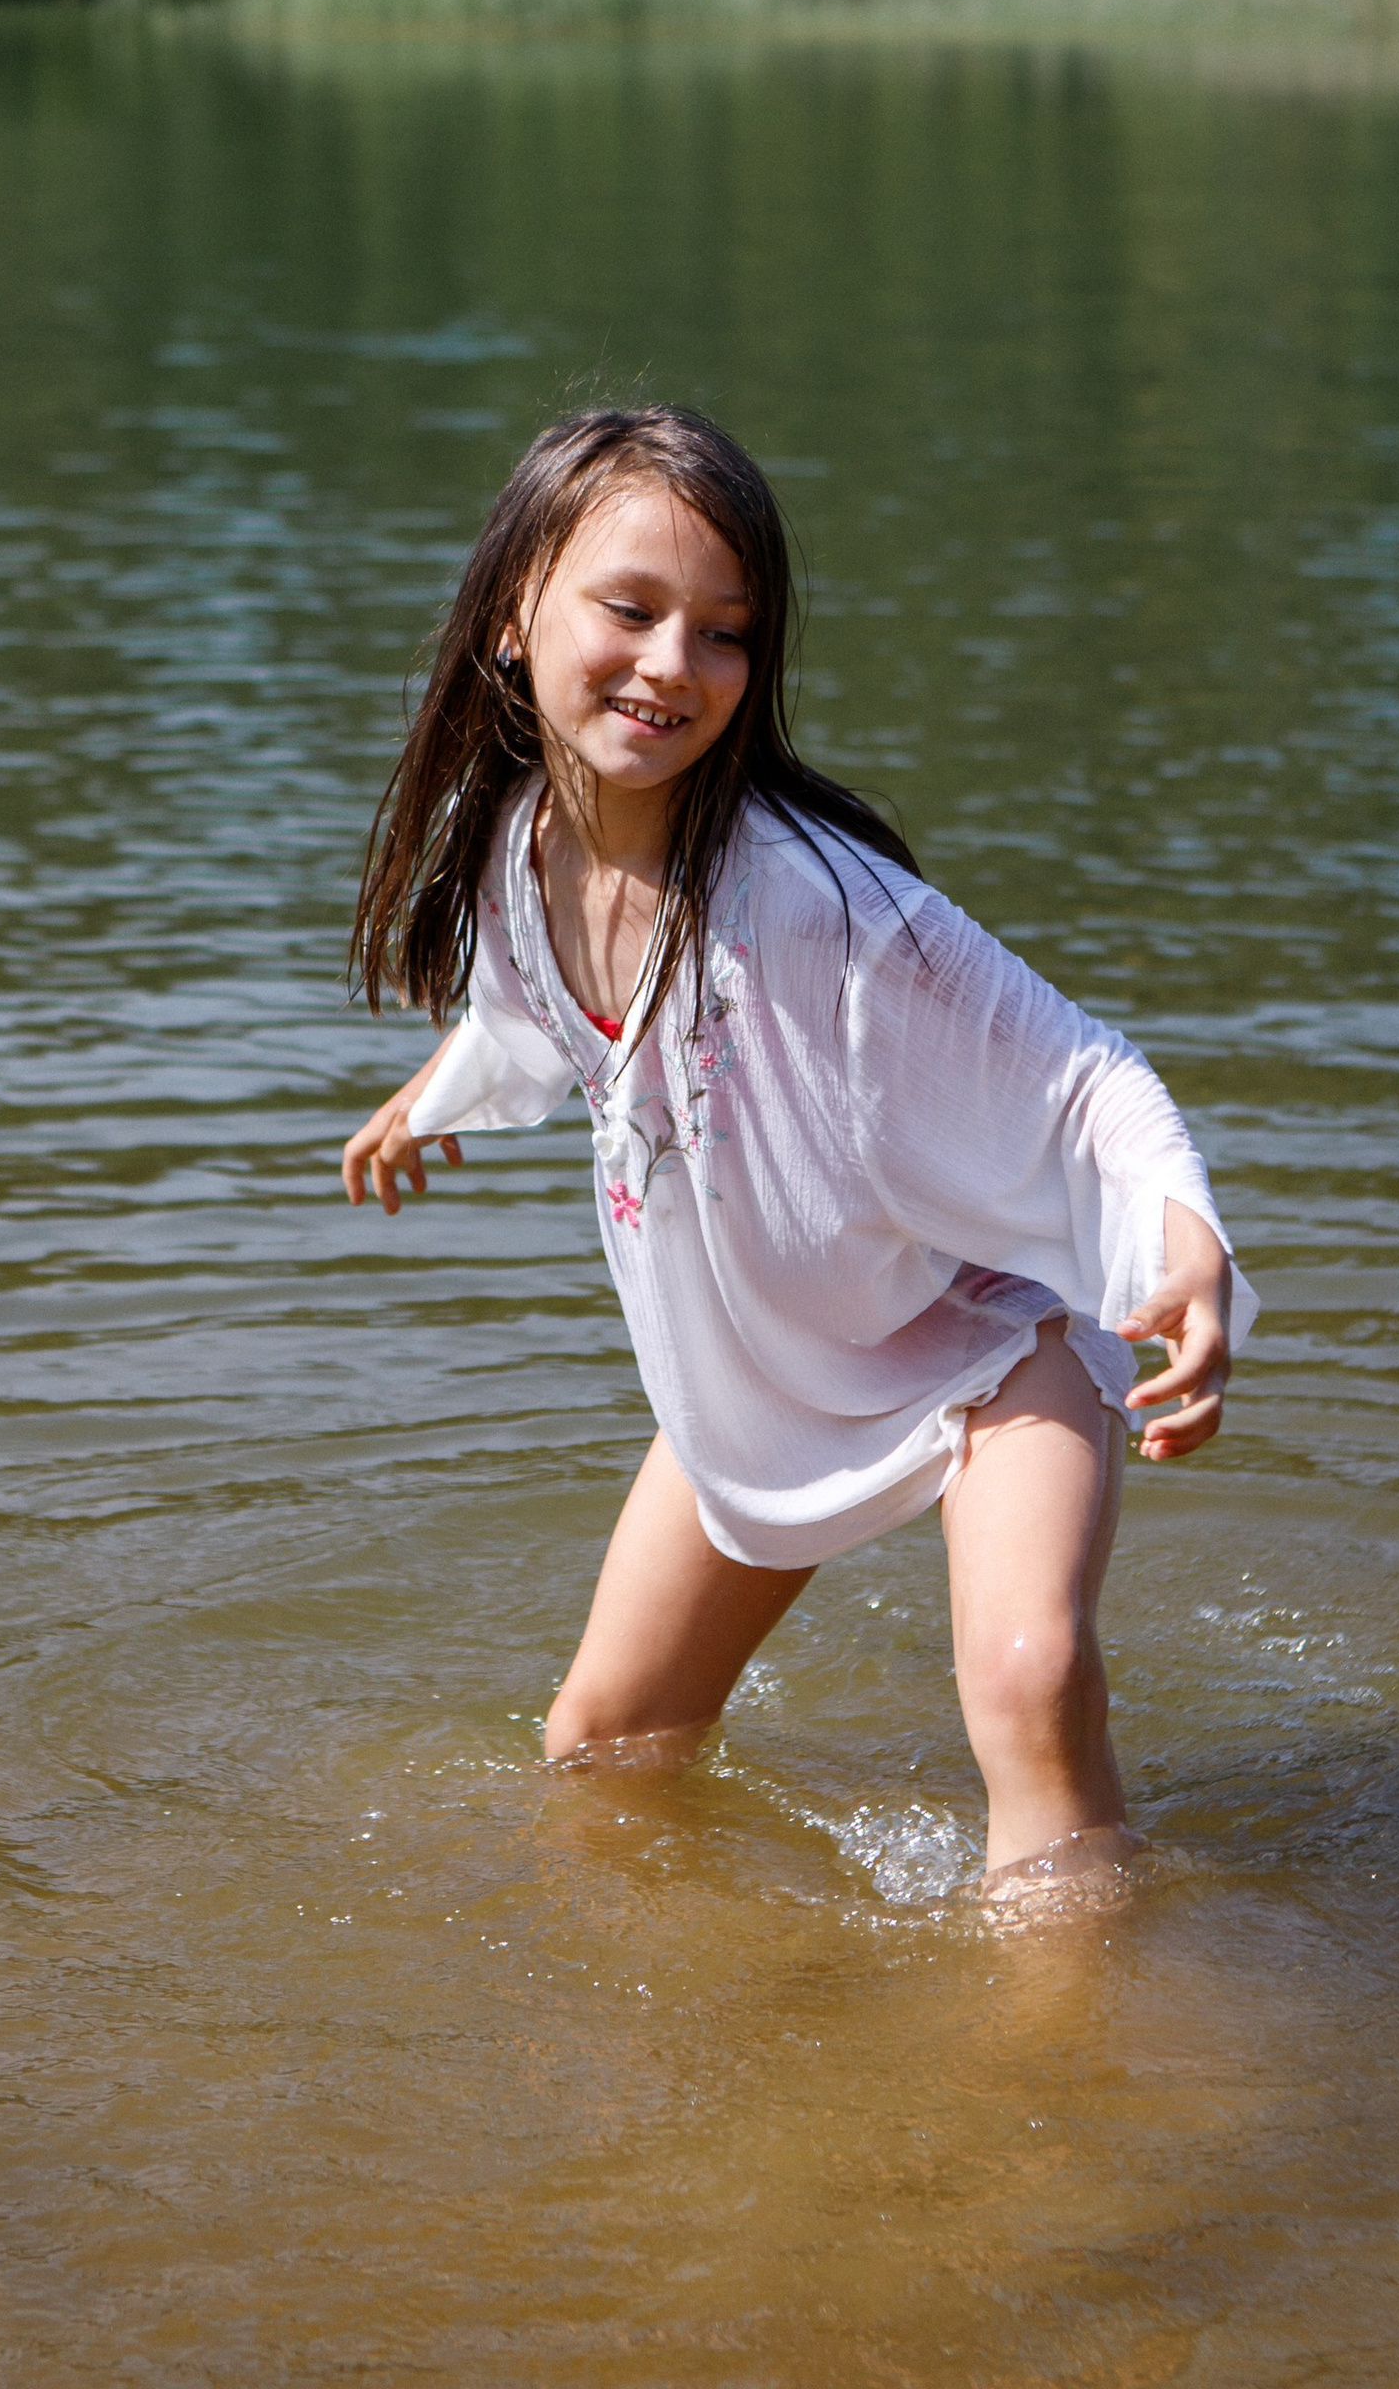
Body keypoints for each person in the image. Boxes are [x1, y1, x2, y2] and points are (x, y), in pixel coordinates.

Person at [341, 405, 1255, 1904]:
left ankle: (1079, 2085)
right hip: (762, 1366)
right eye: (630, 611)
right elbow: (533, 1013)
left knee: (1028, 1682)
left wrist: (1190, 1257)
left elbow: (1087, 1077)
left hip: (982, 1338)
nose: (670, 667)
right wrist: (431, 1099)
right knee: (604, 1748)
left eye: (723, 633)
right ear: (515, 614)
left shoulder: (813, 899)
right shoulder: (518, 844)